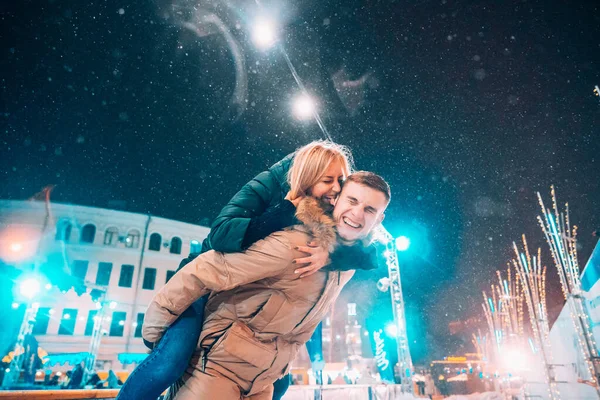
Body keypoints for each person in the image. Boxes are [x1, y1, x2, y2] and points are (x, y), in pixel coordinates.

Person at [117, 141, 379, 400]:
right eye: (328, 179)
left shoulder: (320, 212)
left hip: (243, 299)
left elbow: (362, 252)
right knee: (170, 362)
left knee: (279, 382)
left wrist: (329, 252)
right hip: (207, 284)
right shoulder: (271, 187)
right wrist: (284, 210)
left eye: (340, 180)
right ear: (307, 175)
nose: (336, 188)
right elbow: (220, 237)